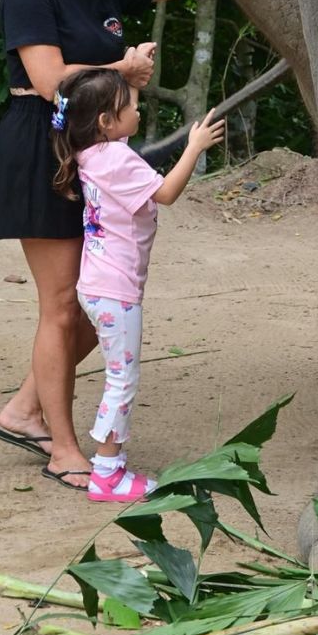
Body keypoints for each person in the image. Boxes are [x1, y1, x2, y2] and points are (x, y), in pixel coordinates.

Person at [0, 0, 270, 491]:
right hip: (41, 147)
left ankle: (22, 409)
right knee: (63, 305)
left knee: (92, 304)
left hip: (84, 153)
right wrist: (122, 67)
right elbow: (48, 79)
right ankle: (64, 449)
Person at [48, 67, 224, 499]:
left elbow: (120, 133)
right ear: (106, 122)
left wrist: (130, 82)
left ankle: (110, 466)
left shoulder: (94, 150)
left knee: (119, 374)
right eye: (129, 106)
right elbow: (164, 193)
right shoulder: (116, 158)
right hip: (117, 289)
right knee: (122, 378)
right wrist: (193, 146)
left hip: (99, 284)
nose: (138, 109)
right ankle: (108, 472)